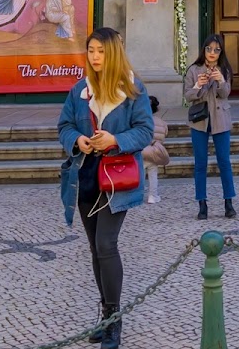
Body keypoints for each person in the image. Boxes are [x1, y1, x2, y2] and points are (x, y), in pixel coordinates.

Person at [59, 27, 154, 348]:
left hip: (118, 177)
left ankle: (114, 320)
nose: (95, 57)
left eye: (100, 51)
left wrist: (116, 140)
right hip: (86, 176)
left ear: (112, 52)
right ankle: (105, 316)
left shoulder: (132, 90)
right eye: (91, 51)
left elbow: (145, 131)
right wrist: (77, 140)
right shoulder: (79, 91)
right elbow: (64, 126)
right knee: (94, 248)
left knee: (106, 245)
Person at [183, 35, 236, 221]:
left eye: (216, 50)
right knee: (200, 163)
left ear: (221, 52)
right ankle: (202, 203)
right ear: (203, 49)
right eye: (209, 49)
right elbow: (188, 96)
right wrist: (199, 84)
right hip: (200, 120)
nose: (212, 53)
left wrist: (221, 80)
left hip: (221, 118)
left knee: (224, 161)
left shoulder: (224, 69)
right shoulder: (194, 69)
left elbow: (226, 93)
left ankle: (228, 202)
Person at [142, 96, 170, 204]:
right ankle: (152, 196)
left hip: (142, 150)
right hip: (155, 151)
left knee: (140, 174)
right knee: (153, 175)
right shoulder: (161, 122)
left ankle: (139, 195)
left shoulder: (141, 121)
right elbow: (164, 134)